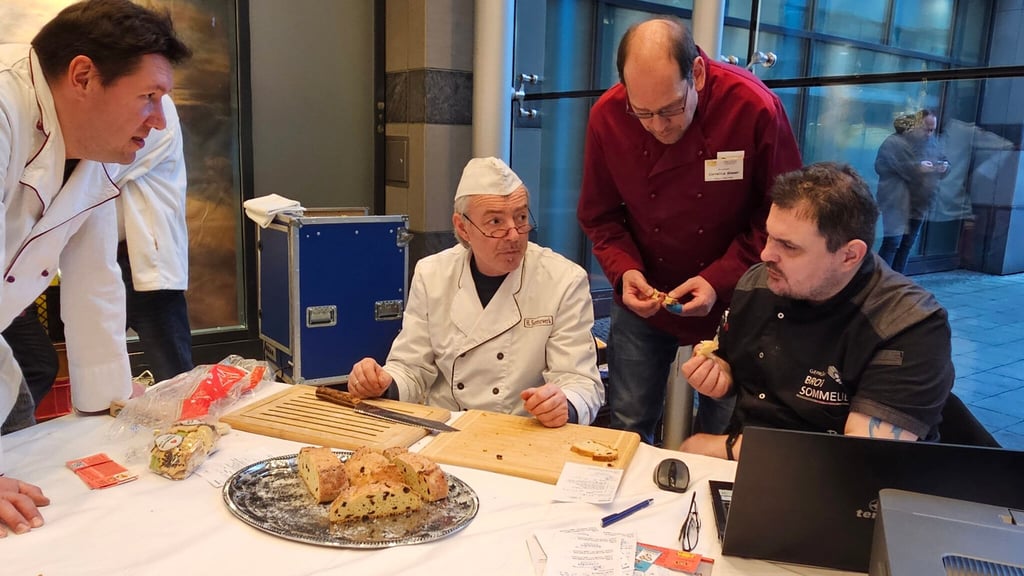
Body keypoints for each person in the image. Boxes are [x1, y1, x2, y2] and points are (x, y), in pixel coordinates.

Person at [0, 0, 190, 536]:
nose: (158, 121)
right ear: (82, 76)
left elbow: (95, 279)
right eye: (148, 98)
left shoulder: (96, 151)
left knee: (48, 502)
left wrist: (107, 409)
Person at [576, 17, 801, 444]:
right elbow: (599, 216)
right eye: (641, 113)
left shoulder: (752, 106)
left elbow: (782, 219)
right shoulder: (607, 116)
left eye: (670, 109)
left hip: (737, 297)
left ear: (696, 73)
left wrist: (718, 280)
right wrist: (624, 272)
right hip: (646, 293)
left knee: (726, 429)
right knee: (627, 423)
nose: (657, 127)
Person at [680, 162, 954, 461]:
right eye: (770, 236)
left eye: (789, 246)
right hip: (750, 469)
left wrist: (726, 447)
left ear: (850, 255)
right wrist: (718, 374)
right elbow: (730, 362)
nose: (766, 254)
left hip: (846, 490)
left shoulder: (909, 325)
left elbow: (862, 459)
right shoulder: (759, 282)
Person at [348, 157, 604, 428]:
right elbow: (410, 368)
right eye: (495, 221)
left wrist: (564, 403)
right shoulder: (432, 275)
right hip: (446, 430)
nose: (514, 235)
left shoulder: (563, 281)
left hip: (524, 434)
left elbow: (582, 383)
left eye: (520, 217)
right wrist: (382, 382)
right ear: (462, 227)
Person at [113, 95, 194, 384]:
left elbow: (107, 168)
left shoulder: (160, 110)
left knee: (173, 372)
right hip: (104, 256)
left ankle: (187, 427)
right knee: (100, 360)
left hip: (147, 255)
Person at [876, 110, 949, 273]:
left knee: (907, 244)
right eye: (926, 129)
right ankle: (880, 282)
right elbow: (882, 166)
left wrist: (944, 167)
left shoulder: (932, 142)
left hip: (920, 202)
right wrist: (917, 168)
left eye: (933, 129)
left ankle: (897, 283)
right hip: (896, 200)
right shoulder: (894, 142)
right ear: (915, 125)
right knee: (892, 243)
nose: (930, 134)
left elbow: (943, 160)